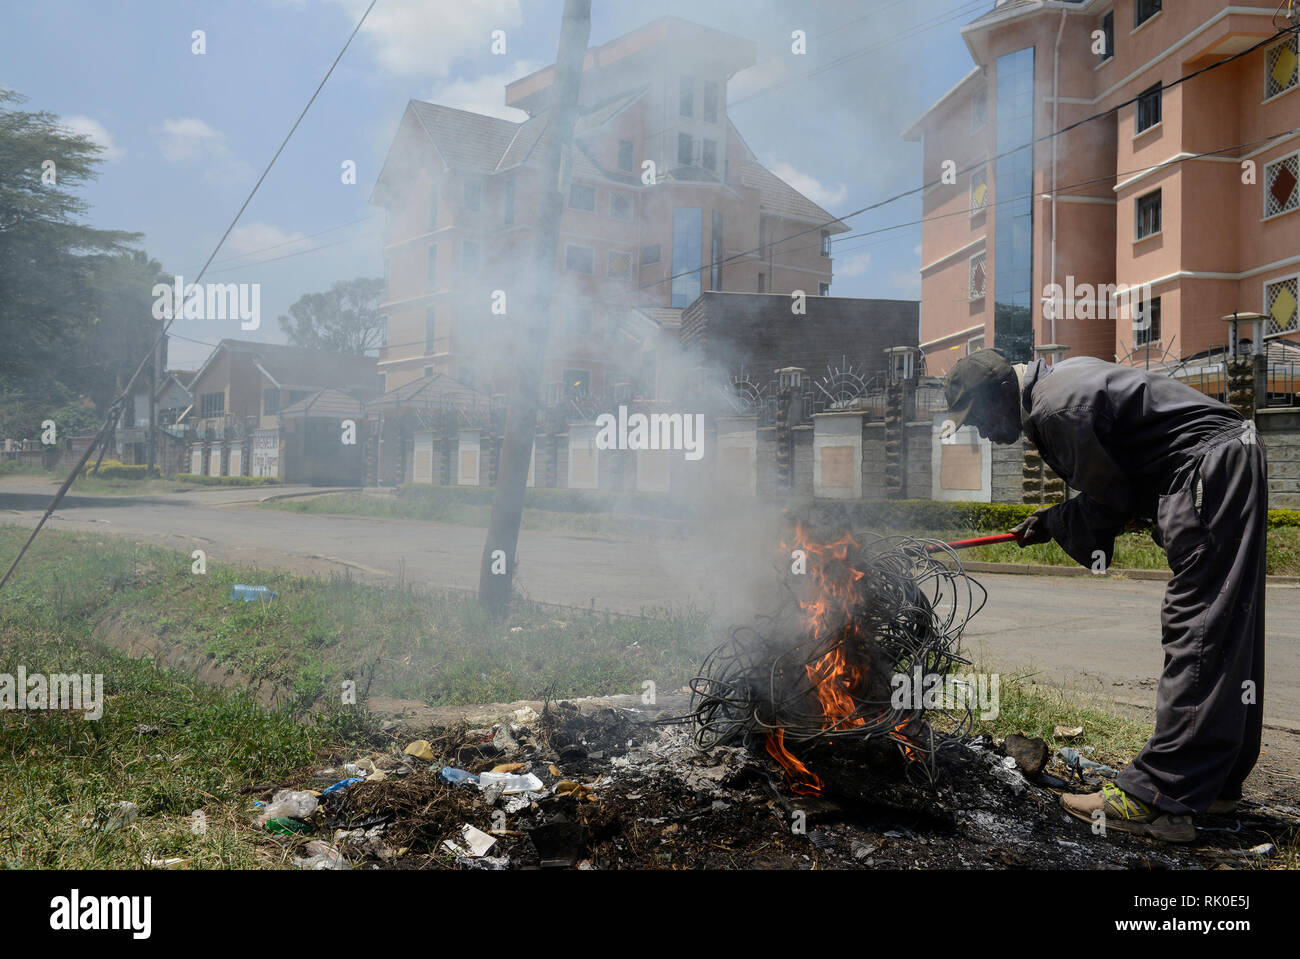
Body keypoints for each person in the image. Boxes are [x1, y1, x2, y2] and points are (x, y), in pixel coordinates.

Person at [942, 349, 1268, 843]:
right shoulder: (1063, 380)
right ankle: (1211, 783)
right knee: (1227, 623)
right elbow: (1121, 483)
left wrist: (1055, 521)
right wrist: (1055, 521)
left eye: (979, 417)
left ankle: (1156, 798)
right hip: (1227, 459)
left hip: (1207, 469)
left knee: (1198, 624)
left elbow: (1115, 500)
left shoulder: (1055, 410)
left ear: (1004, 392)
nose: (982, 432)